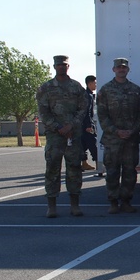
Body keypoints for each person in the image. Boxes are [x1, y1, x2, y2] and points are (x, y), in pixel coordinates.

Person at [36, 55, 87, 218]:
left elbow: (83, 109)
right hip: (55, 136)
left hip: (73, 135)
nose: (61, 67)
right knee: (52, 169)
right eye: (59, 65)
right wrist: (58, 127)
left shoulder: (76, 87)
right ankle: (52, 206)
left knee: (74, 169)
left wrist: (71, 125)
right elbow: (43, 112)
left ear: (68, 66)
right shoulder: (46, 88)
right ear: (54, 67)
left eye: (64, 65)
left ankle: (75, 205)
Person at [97, 57, 140, 214]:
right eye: (119, 67)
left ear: (128, 70)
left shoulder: (136, 90)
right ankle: (113, 202)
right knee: (112, 172)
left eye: (124, 67)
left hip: (131, 139)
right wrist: (116, 131)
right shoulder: (105, 90)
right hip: (112, 139)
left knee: (130, 172)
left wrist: (133, 130)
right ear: (114, 70)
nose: (121, 70)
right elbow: (102, 115)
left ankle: (126, 201)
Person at [81, 75, 98, 171]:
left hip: (83, 124)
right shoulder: (87, 96)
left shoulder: (89, 95)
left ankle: (84, 163)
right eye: (95, 83)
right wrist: (88, 125)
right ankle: (98, 163)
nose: (96, 85)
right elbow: (87, 111)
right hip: (87, 124)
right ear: (89, 83)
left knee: (83, 144)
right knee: (93, 143)